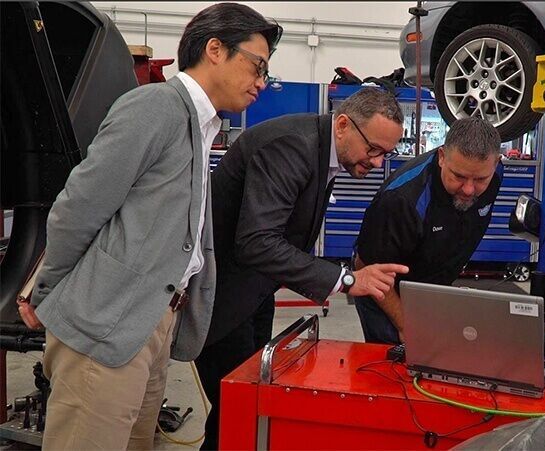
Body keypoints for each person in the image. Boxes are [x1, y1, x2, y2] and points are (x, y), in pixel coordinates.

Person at [15, 4, 281, 449]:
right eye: (257, 66)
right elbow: (78, 206)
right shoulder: (155, 106)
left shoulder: (202, 125)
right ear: (215, 50)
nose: (261, 81)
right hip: (106, 321)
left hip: (154, 320)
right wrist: (47, 293)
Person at [196, 87, 410, 449]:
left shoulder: (324, 149)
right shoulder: (290, 147)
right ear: (343, 124)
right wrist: (345, 279)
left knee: (246, 410)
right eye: (373, 150)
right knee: (238, 409)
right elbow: (257, 242)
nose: (377, 163)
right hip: (221, 300)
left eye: (386, 155)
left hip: (255, 294)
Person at [353, 117, 503, 344]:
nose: (469, 189)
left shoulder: (495, 175)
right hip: (387, 291)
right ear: (442, 157)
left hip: (434, 282)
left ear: (496, 163)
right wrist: (405, 324)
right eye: (459, 176)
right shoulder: (402, 199)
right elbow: (366, 265)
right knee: (392, 362)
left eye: (480, 179)